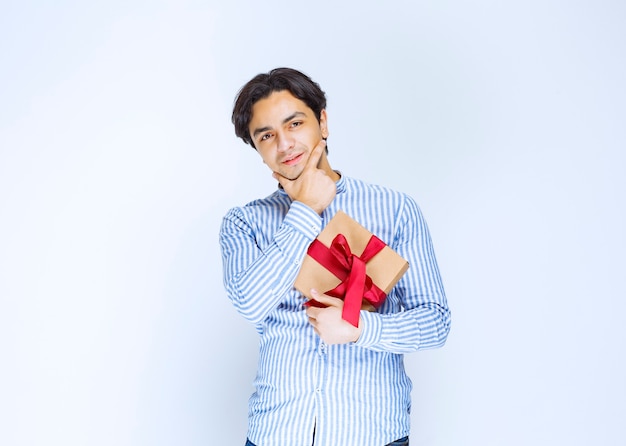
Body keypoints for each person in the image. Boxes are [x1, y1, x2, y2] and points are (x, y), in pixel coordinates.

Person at [219, 68, 451, 446]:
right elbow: (249, 304)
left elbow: (435, 321)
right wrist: (307, 210)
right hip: (277, 434)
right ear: (258, 150)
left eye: (295, 123)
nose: (285, 144)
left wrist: (361, 330)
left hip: (372, 434)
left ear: (322, 122)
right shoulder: (245, 223)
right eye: (266, 135)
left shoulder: (394, 209)